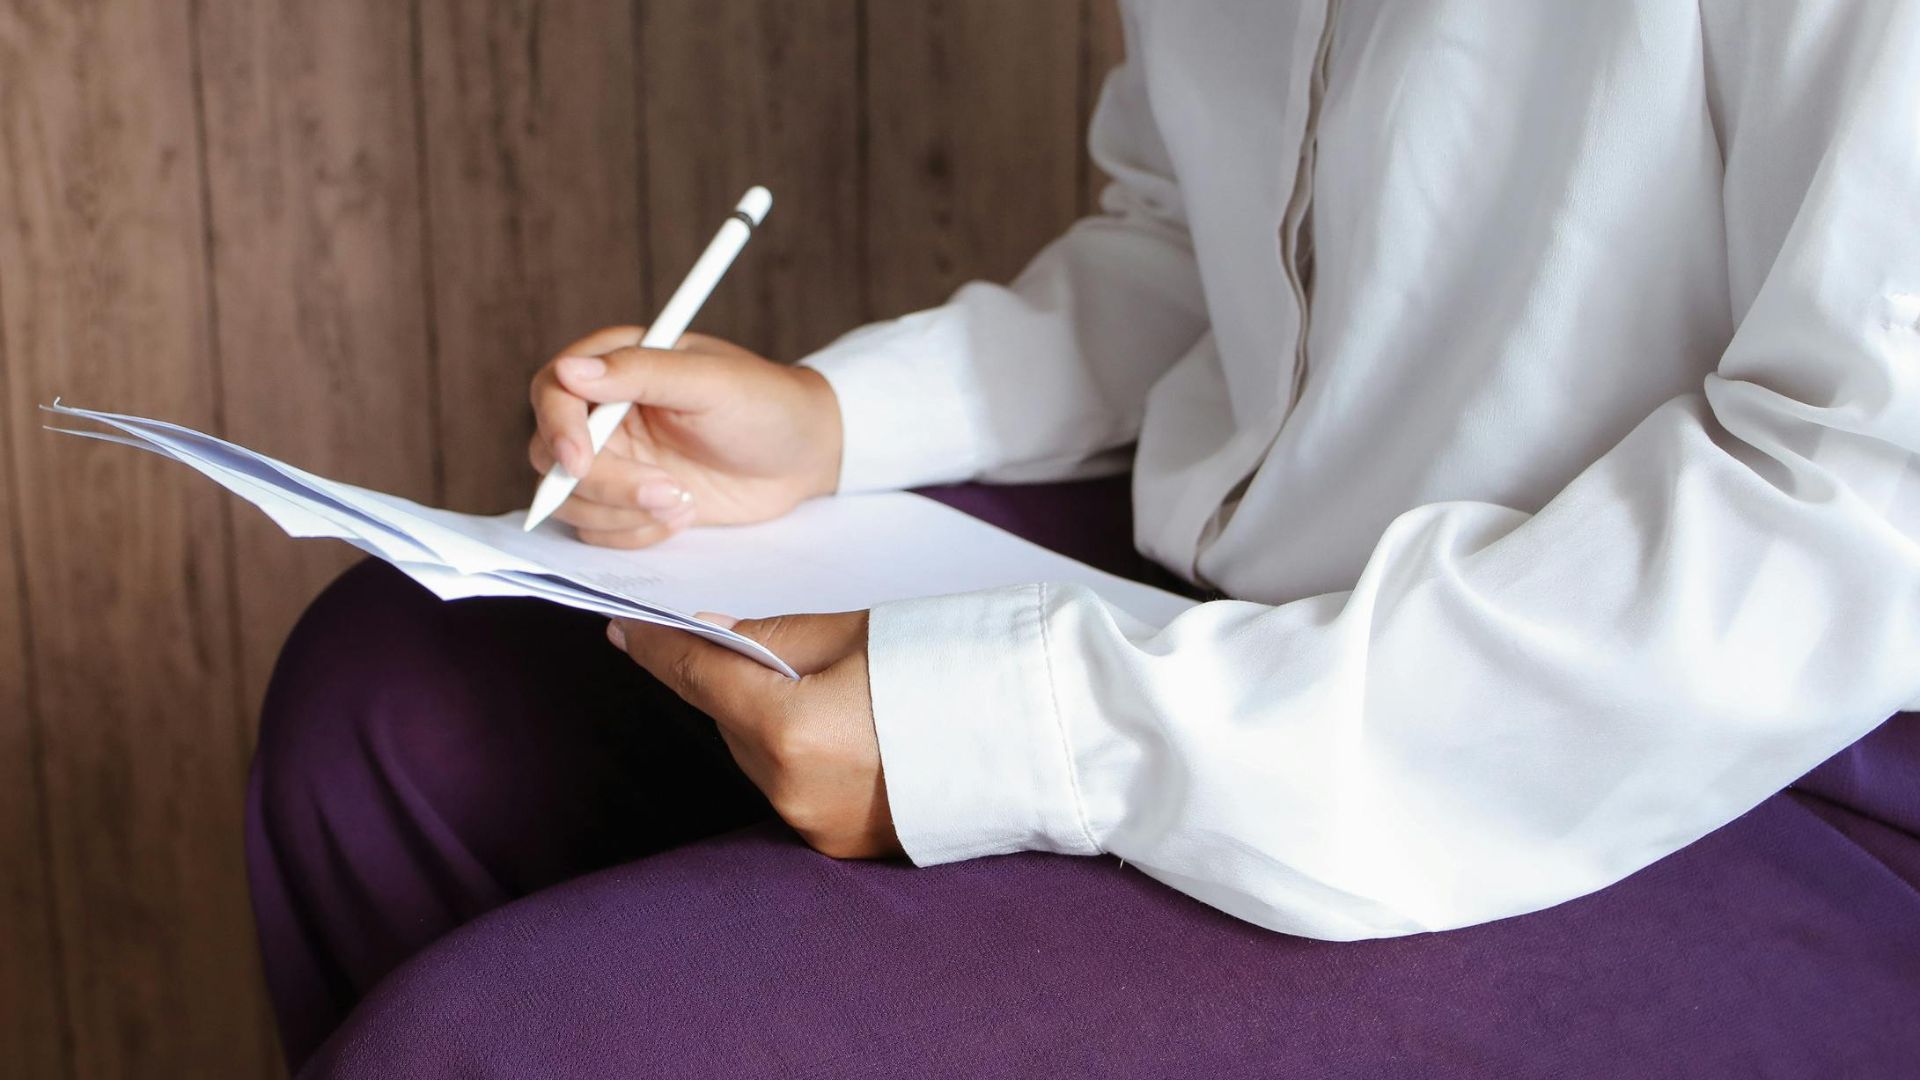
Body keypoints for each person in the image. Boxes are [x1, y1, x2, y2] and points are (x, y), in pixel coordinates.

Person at [251, 2, 1920, 1075]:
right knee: (400, 702)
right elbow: (1204, 246)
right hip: (1277, 567)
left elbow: (1850, 508)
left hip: (1751, 756)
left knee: (512, 1051)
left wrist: (1027, 729)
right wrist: (841, 425)